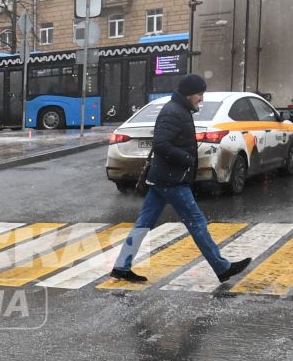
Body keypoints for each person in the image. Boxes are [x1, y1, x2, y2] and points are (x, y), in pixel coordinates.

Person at [108, 75, 252, 285]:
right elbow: (160, 144)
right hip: (171, 180)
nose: (201, 99)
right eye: (199, 94)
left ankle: (121, 267)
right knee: (197, 223)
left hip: (163, 179)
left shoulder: (179, 110)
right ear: (188, 93)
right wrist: (186, 158)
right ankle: (222, 268)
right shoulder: (174, 112)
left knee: (143, 224)